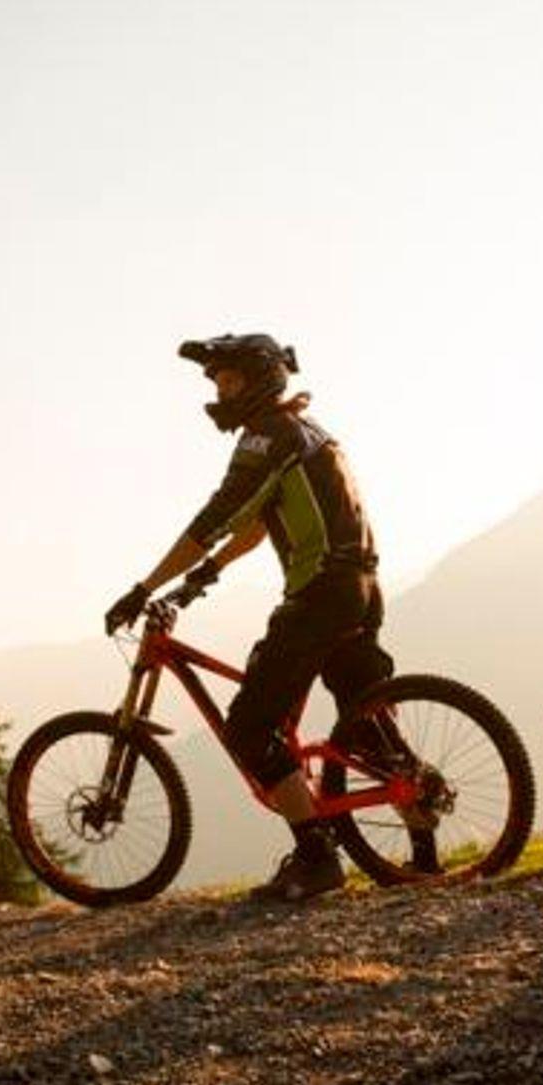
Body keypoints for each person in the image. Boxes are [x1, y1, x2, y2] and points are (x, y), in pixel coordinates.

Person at [104, 333, 394, 901]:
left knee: (249, 727)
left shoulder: (267, 436)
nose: (220, 394)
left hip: (319, 594)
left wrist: (144, 589)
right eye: (217, 383)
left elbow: (218, 516)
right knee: (368, 723)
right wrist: (204, 576)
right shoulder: (305, 430)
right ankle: (423, 849)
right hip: (361, 587)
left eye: (229, 381)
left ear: (259, 380)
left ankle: (316, 857)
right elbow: (259, 521)